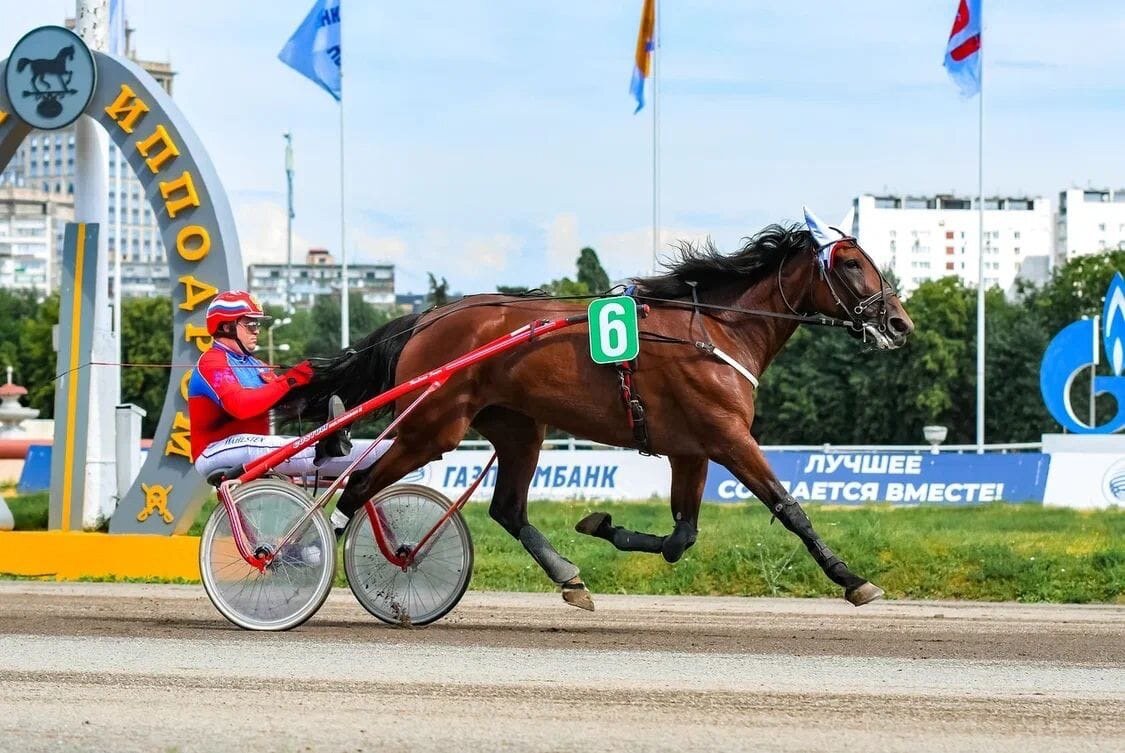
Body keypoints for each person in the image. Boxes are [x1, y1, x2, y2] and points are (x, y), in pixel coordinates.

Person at [188, 290, 391, 538]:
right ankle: (324, 446)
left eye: (258, 324)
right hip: (213, 452)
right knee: (283, 445)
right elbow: (241, 406)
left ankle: (381, 450)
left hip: (252, 449)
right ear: (227, 326)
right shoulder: (212, 362)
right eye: (250, 323)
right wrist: (289, 381)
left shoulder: (257, 365)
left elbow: (286, 402)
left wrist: (327, 377)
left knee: (372, 454)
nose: (257, 330)